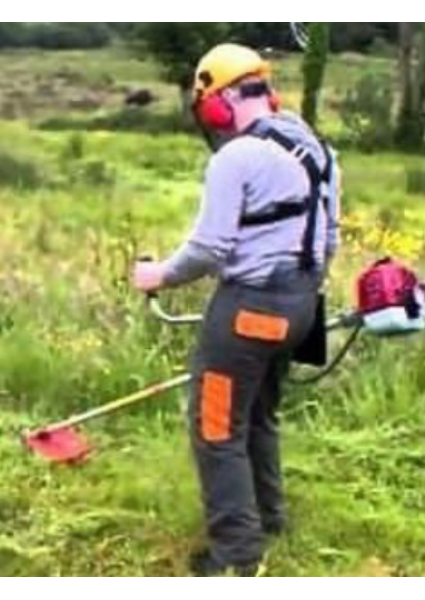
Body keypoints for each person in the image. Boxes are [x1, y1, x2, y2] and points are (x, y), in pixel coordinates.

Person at [133, 43, 341, 576]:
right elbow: (330, 238)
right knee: (260, 417)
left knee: (217, 428)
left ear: (221, 99)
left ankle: (236, 554)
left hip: (249, 311)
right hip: (302, 304)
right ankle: (270, 519)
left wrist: (159, 275)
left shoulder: (236, 156)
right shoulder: (317, 148)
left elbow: (208, 249)